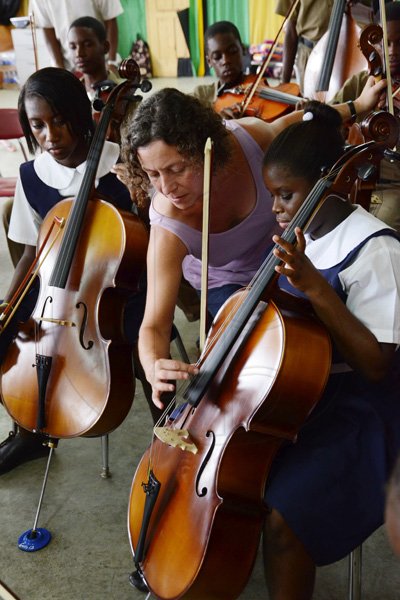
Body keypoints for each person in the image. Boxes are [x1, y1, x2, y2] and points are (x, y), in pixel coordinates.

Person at [120, 77, 384, 409]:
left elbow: (305, 124)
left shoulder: (248, 139)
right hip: (226, 284)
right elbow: (154, 325)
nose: (167, 187)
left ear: (208, 149)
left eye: (177, 168)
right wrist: (153, 364)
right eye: (153, 174)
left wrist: (359, 105)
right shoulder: (168, 224)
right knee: (256, 354)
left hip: (290, 253)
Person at [259, 100, 400, 599]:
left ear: (331, 182)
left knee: (282, 516)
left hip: (367, 412)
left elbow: (376, 365)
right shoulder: (304, 237)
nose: (276, 208)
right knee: (242, 479)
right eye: (272, 195)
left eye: (286, 194)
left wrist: (317, 288)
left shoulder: (376, 248)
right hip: (307, 395)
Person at [0, 67, 149, 475]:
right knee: (12, 339)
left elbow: (156, 235)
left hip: (123, 286)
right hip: (58, 288)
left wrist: (143, 194)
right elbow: (33, 251)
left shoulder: (122, 165)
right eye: (38, 126)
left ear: (81, 115)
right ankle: (29, 433)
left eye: (61, 120)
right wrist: (9, 306)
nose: (52, 136)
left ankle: (168, 436)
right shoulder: (33, 176)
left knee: (145, 348)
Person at [330, 0, 400, 231]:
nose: (392, 52)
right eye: (385, 43)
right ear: (374, 43)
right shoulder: (363, 81)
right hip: (356, 178)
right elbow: (329, 117)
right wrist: (356, 106)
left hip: (393, 185)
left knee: (381, 229)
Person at [30, 0, 123, 71]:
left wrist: (111, 62)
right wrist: (60, 69)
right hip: (67, 65)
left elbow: (110, 18)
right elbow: (47, 28)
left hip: (101, 63)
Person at [192, 20, 256, 120]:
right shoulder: (201, 96)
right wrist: (217, 120)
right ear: (209, 61)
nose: (226, 61)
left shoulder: (257, 86)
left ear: (243, 50)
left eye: (232, 51)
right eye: (217, 57)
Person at [275, 0, 334, 93]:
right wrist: (284, 83)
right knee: (309, 102)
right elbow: (291, 31)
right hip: (309, 54)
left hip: (346, 52)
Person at [67, 16, 122, 101]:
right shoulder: (70, 94)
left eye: (87, 45)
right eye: (73, 47)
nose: (79, 54)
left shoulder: (122, 93)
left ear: (105, 47)